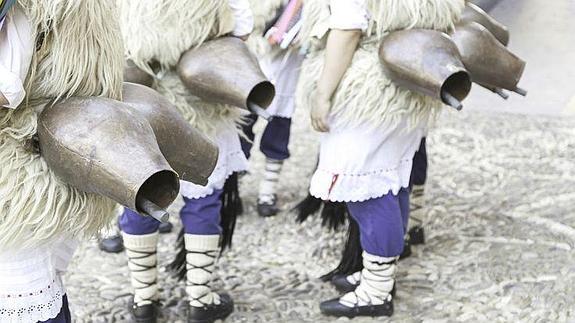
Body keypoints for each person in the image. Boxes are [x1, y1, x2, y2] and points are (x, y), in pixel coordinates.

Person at [296, 0, 464, 318]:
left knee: (365, 189)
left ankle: (376, 292)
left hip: (367, 91)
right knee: (392, 181)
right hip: (407, 82)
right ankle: (379, 276)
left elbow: (347, 30)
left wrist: (322, 93)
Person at [116, 0, 254, 322]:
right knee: (203, 199)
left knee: (139, 192)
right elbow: (242, 31)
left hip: (141, 101)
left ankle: (144, 299)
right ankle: (200, 299)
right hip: (201, 101)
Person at [0, 1, 124, 321]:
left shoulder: (33, 9)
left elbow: (7, 86)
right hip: (52, 151)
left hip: (24, 163)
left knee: (23, 293)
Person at [242, 0, 304, 217]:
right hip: (250, 63)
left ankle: (267, 193)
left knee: (278, 130)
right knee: (242, 129)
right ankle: (232, 189)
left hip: (286, 67)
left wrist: (300, 34)